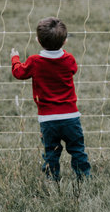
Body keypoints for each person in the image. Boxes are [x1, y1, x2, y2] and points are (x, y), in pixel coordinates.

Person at [11, 16, 91, 181]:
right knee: (77, 150)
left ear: (38, 41)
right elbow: (73, 70)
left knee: (51, 153)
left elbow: (19, 73)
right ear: (65, 42)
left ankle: (52, 180)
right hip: (71, 117)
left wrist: (15, 59)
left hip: (48, 118)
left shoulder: (35, 61)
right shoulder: (69, 59)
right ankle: (84, 177)